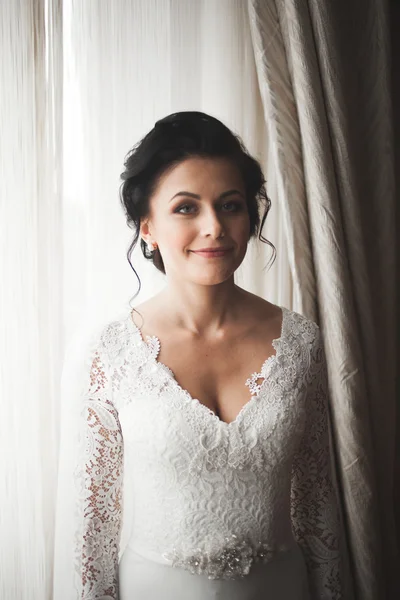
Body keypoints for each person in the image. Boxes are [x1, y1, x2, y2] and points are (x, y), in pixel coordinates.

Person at [53, 111, 344, 599]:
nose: (214, 226)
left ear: (251, 216)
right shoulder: (108, 353)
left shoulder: (301, 344)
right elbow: (90, 537)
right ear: (147, 227)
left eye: (230, 205)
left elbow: (317, 509)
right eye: (186, 208)